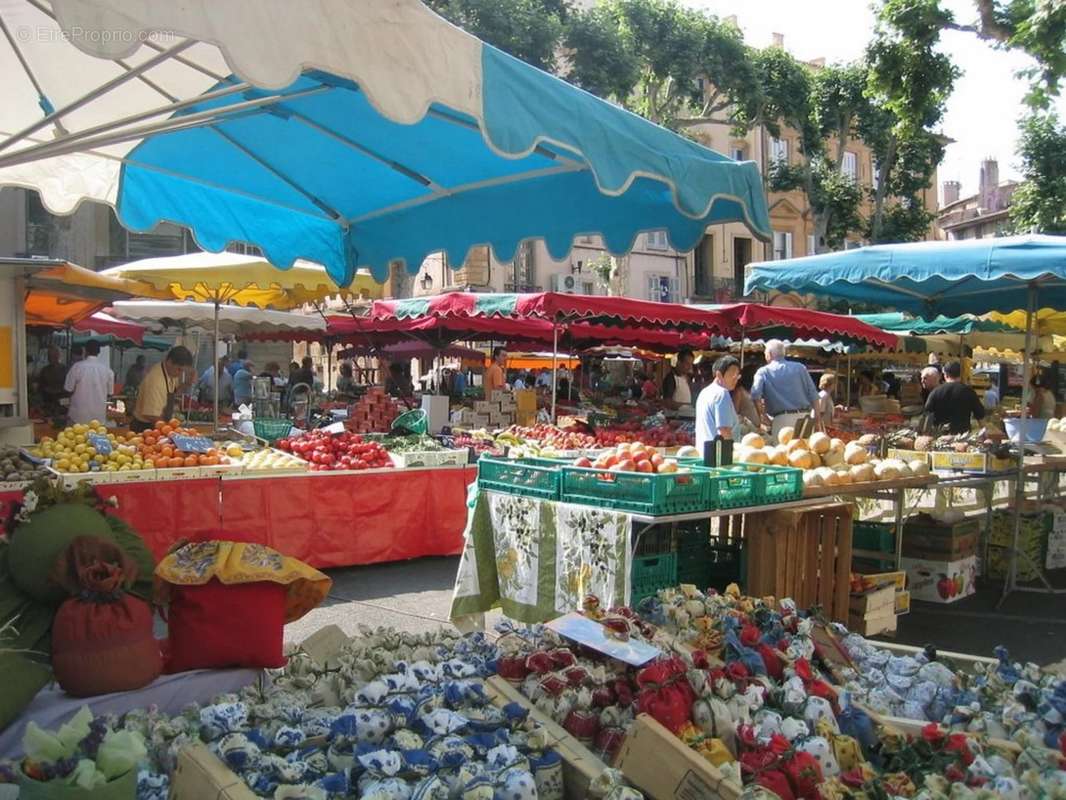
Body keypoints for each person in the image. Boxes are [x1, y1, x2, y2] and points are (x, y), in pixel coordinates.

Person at [750, 339, 818, 439]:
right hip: (805, 418)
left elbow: (755, 394)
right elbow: (813, 394)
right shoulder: (800, 368)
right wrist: (817, 419)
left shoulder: (763, 372)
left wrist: (762, 416)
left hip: (782, 420)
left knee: (782, 453)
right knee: (804, 452)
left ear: (769, 354)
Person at [131, 346, 194, 432]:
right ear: (169, 362)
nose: (180, 374)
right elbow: (150, 414)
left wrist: (187, 383)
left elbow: (174, 392)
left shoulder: (169, 372)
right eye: (179, 370)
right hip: (146, 428)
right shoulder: (155, 381)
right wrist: (170, 430)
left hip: (159, 425)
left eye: (183, 371)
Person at [924, 360, 986, 434]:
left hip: (941, 437)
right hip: (962, 438)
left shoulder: (935, 392)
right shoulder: (969, 392)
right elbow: (980, 416)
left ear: (945, 375)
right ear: (960, 375)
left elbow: (926, 417)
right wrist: (985, 435)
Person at [696, 355, 742, 453]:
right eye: (732, 375)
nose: (735, 379)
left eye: (737, 375)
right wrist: (732, 454)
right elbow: (724, 430)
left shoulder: (704, 392)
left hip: (703, 453)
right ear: (719, 375)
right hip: (719, 458)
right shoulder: (722, 393)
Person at [63, 340, 114, 425]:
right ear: (99, 352)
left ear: (85, 351)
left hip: (78, 416)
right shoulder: (108, 371)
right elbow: (110, 394)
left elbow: (68, 389)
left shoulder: (77, 367)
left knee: (74, 438)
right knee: (95, 438)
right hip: (98, 417)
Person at [36, 345, 68, 414]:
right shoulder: (45, 370)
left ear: (59, 356)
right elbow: (40, 388)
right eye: (50, 355)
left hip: (62, 404)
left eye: (55, 355)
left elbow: (69, 387)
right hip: (48, 403)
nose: (52, 358)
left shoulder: (66, 369)